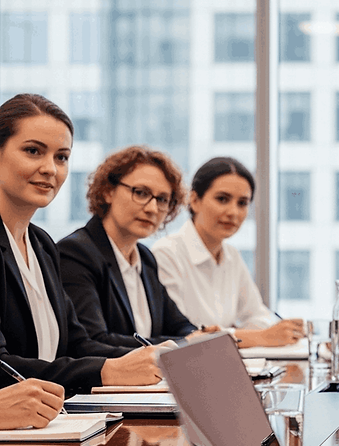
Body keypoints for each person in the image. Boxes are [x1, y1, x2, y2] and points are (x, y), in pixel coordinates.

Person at [0, 93, 164, 395]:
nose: (51, 168)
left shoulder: (41, 244)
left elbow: (77, 343)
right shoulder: (72, 248)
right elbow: (2, 365)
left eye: (61, 157)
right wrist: (107, 370)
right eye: (33, 151)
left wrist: (144, 359)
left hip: (53, 422)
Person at [57, 146, 212, 348]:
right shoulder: (77, 253)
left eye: (162, 199)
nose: (152, 208)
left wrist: (198, 336)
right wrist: (184, 342)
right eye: (141, 193)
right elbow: (92, 341)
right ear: (107, 192)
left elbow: (179, 325)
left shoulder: (146, 258)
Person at [152, 157, 304, 349]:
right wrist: (257, 337)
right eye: (222, 199)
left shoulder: (231, 256)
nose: (233, 212)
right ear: (195, 200)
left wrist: (235, 334)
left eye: (242, 203)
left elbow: (258, 315)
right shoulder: (166, 254)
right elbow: (184, 336)